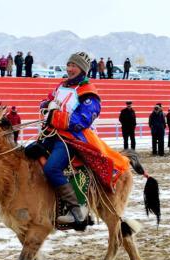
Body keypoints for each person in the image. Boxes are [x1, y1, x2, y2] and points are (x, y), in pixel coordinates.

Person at [26, 51, 129, 229]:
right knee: (27, 152)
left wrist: (53, 115)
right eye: (69, 65)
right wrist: (46, 105)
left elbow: (81, 121)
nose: (69, 69)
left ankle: (77, 209)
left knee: (52, 168)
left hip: (72, 139)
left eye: (74, 65)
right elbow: (47, 100)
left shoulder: (89, 94)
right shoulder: (62, 85)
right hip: (51, 134)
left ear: (82, 69)